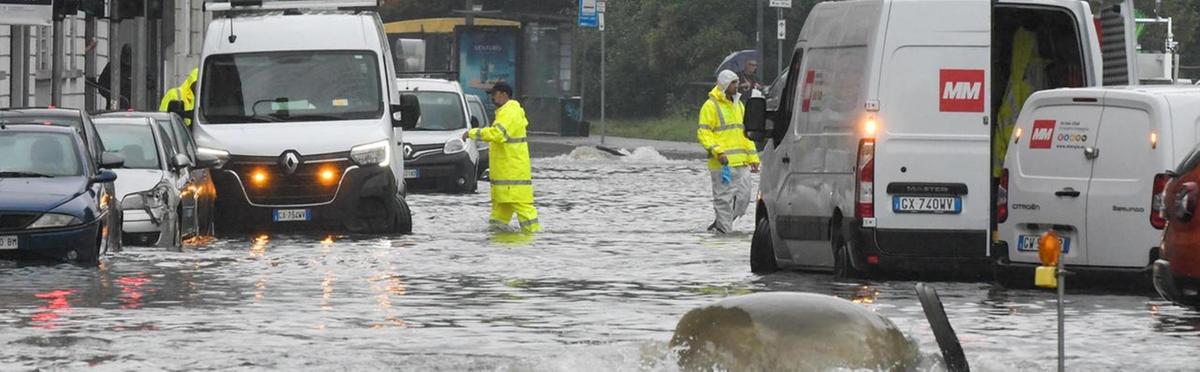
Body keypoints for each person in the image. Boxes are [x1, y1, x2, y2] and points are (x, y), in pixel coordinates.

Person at [462, 82, 540, 233]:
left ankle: (534, 238)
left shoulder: (509, 112)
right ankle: (497, 240)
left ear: (504, 94)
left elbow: (498, 134)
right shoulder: (506, 112)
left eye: (494, 94)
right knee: (499, 215)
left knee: (523, 210)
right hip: (505, 176)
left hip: (513, 176)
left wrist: (473, 133)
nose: (492, 98)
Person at [699, 70, 760, 234]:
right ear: (725, 85)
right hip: (722, 164)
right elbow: (704, 133)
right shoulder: (710, 106)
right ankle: (724, 234)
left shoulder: (738, 105)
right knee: (724, 200)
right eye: (733, 83)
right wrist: (718, 152)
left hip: (741, 163)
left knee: (744, 199)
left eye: (737, 82)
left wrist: (753, 157)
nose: (737, 86)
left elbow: (746, 133)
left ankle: (719, 225)